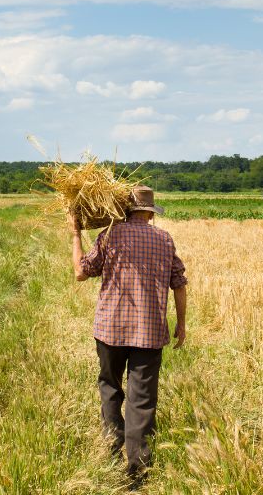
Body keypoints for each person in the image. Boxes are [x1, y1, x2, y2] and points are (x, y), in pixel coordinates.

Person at [70, 184, 187, 485]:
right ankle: (137, 471)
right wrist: (181, 323)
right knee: (142, 399)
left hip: (110, 329)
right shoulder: (164, 239)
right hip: (149, 332)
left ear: (125, 209)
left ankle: (111, 447)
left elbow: (81, 272)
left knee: (110, 386)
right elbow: (179, 283)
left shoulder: (109, 235)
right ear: (149, 211)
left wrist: (74, 234)